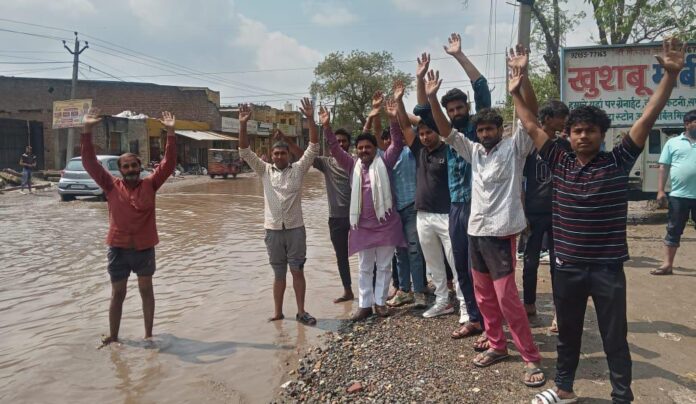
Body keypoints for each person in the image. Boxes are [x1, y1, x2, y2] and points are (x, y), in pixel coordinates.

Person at [510, 38, 686, 404]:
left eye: (590, 130)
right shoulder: (557, 160)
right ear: (568, 136)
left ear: (602, 134)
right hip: (568, 266)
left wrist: (669, 76)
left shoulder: (618, 161)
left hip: (607, 268)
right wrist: (516, 87)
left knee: (613, 336)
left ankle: (622, 397)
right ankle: (564, 389)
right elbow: (529, 123)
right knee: (568, 333)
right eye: (577, 131)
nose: (583, 136)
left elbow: (647, 117)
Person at [427, 67, 545, 387]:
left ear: (500, 129)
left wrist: (521, 86)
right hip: (476, 232)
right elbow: (445, 131)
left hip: (501, 232)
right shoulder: (473, 151)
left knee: (507, 297)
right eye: (481, 130)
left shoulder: (515, 148)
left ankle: (531, 357)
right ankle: (497, 344)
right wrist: (431, 97)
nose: (485, 134)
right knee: (483, 296)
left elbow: (531, 116)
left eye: (490, 129)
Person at [412, 33, 489, 338]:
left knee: (481, 264)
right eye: (451, 109)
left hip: (480, 205)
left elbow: (482, 88)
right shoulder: (445, 133)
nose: (456, 113)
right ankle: (470, 314)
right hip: (456, 206)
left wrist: (459, 55)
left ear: (467, 108)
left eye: (459, 108)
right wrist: (421, 80)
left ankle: (487, 316)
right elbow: (422, 112)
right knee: (460, 263)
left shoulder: (476, 128)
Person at [80, 108, 177, 347]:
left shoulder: (150, 184)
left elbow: (169, 163)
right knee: (118, 294)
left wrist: (171, 133)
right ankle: (113, 336)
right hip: (118, 248)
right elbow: (90, 163)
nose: (131, 169)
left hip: (144, 248)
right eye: (126, 166)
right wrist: (87, 130)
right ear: (120, 170)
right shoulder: (110, 186)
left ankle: (148, 335)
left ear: (140, 166)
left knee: (146, 290)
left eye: (134, 165)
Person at [319, 99, 406, 321]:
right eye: (361, 148)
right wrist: (327, 127)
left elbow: (397, 143)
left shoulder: (385, 161)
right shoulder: (351, 165)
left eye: (368, 147)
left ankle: (380, 303)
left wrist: (393, 119)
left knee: (385, 266)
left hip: (386, 224)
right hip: (362, 226)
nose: (364, 150)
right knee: (365, 266)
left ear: (375, 149)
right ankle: (364, 304)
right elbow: (335, 149)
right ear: (356, 151)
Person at [238, 99, 320, 326]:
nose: (279, 157)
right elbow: (244, 151)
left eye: (283, 154)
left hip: (295, 230)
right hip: (273, 230)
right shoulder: (264, 171)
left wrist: (311, 119)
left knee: (297, 271)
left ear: (288, 155)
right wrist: (243, 124)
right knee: (278, 275)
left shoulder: (299, 170)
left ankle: (301, 311)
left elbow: (313, 147)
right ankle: (278, 312)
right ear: (271, 155)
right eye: (275, 154)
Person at [280, 124, 354, 303]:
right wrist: (288, 141)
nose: (341, 144)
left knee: (368, 255)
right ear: (332, 146)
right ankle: (348, 291)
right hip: (336, 218)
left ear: (349, 145)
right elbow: (304, 155)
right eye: (338, 141)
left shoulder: (355, 162)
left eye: (344, 141)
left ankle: (373, 292)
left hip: (358, 217)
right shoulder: (326, 163)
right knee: (341, 256)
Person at [520, 93, 571, 318]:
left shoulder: (564, 146)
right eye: (562, 117)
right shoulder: (530, 145)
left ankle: (561, 306)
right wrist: (521, 213)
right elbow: (520, 182)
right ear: (548, 118)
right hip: (533, 212)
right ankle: (529, 303)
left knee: (558, 263)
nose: (564, 122)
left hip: (559, 213)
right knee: (530, 262)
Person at [653, 109, 696, 275]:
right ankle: (667, 265)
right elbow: (664, 167)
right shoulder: (672, 143)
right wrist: (660, 191)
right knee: (673, 229)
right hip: (679, 196)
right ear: (687, 124)